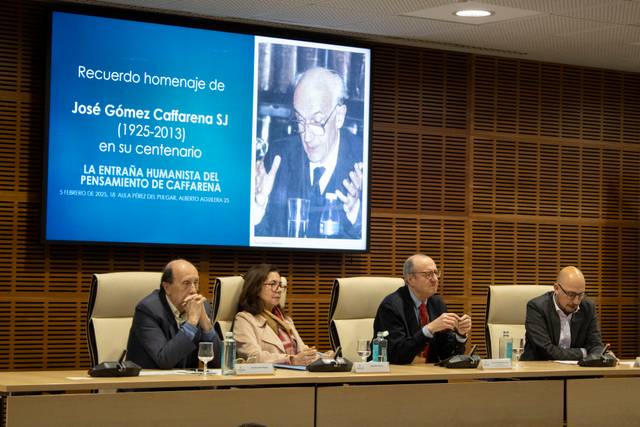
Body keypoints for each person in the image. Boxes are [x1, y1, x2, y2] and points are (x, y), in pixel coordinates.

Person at [253, 67, 364, 239]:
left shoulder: (363, 159)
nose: (307, 135)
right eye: (299, 120)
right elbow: (263, 240)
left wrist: (356, 213)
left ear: (339, 117)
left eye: (317, 121)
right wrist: (258, 206)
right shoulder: (277, 157)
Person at [373, 254, 471, 364]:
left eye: (435, 273)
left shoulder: (437, 304)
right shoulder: (391, 307)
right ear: (410, 279)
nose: (435, 279)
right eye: (428, 274)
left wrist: (460, 335)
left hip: (431, 376)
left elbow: (446, 355)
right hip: (398, 377)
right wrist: (428, 330)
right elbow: (396, 354)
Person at [127, 259, 221, 369]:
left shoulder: (202, 307)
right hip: (150, 383)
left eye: (196, 283)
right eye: (186, 283)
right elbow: (164, 360)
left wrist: (206, 325)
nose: (193, 290)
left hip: (187, 384)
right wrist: (191, 323)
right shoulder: (148, 310)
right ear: (167, 288)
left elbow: (219, 363)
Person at [233, 263, 318, 365]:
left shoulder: (286, 320)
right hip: (270, 378)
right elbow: (253, 356)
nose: (278, 290)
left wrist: (321, 357)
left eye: (280, 285)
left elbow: (302, 352)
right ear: (256, 288)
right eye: (273, 284)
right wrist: (290, 360)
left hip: (296, 375)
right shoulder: (244, 319)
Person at [521, 266, 605, 361]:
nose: (576, 302)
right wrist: (584, 353)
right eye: (571, 295)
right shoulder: (537, 307)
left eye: (581, 295)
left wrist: (599, 355)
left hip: (576, 372)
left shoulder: (588, 308)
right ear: (556, 288)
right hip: (540, 371)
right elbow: (545, 350)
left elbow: (595, 344)